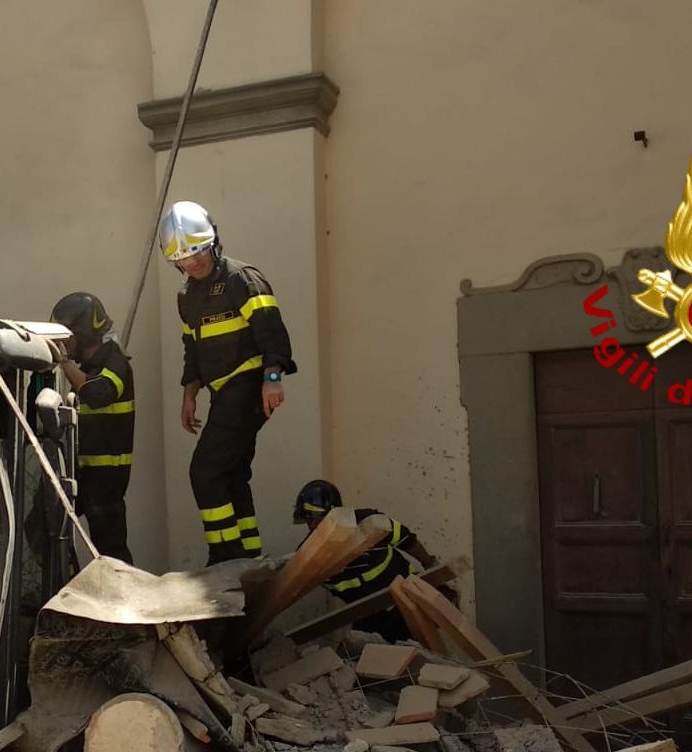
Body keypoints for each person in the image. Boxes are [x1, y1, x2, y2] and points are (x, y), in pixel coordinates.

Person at [160, 200, 295, 565]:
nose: (194, 262)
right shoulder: (187, 297)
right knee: (231, 472)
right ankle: (249, 555)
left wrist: (272, 378)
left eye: (199, 251)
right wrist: (189, 394)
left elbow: (272, 333)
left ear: (213, 241)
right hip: (222, 393)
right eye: (183, 258)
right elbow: (194, 349)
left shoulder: (242, 278)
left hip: (249, 384)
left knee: (204, 470)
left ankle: (225, 556)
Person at [294, 479, 443, 642]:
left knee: (416, 654)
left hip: (406, 600)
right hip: (367, 615)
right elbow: (292, 583)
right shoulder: (309, 552)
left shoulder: (369, 521)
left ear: (333, 512)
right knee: (363, 657)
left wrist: (430, 564)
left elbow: (407, 540)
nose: (312, 526)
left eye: (315, 518)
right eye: (308, 519)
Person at [48, 292, 136, 564]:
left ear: (83, 334)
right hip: (85, 474)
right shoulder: (88, 366)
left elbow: (96, 394)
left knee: (111, 554)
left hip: (106, 479)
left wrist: (62, 362)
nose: (63, 344)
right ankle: (70, 580)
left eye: (66, 337)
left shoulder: (116, 363)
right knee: (42, 526)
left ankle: (124, 601)